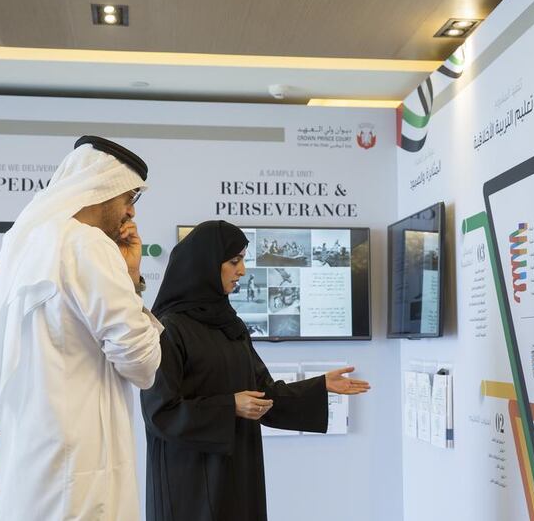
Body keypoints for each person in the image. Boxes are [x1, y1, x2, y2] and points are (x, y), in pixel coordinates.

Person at [0, 136, 163, 521]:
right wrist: (132, 279)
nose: (130, 213)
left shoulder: (30, 242)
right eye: (129, 198)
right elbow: (142, 364)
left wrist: (129, 277)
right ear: (102, 189)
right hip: (81, 462)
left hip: (34, 452)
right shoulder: (86, 244)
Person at [141, 220, 370, 521]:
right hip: (189, 483)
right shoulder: (167, 329)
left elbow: (262, 392)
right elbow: (160, 412)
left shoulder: (230, 326)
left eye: (243, 260)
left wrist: (319, 385)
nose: (243, 271)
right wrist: (229, 406)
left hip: (238, 471)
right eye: (234, 261)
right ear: (205, 265)